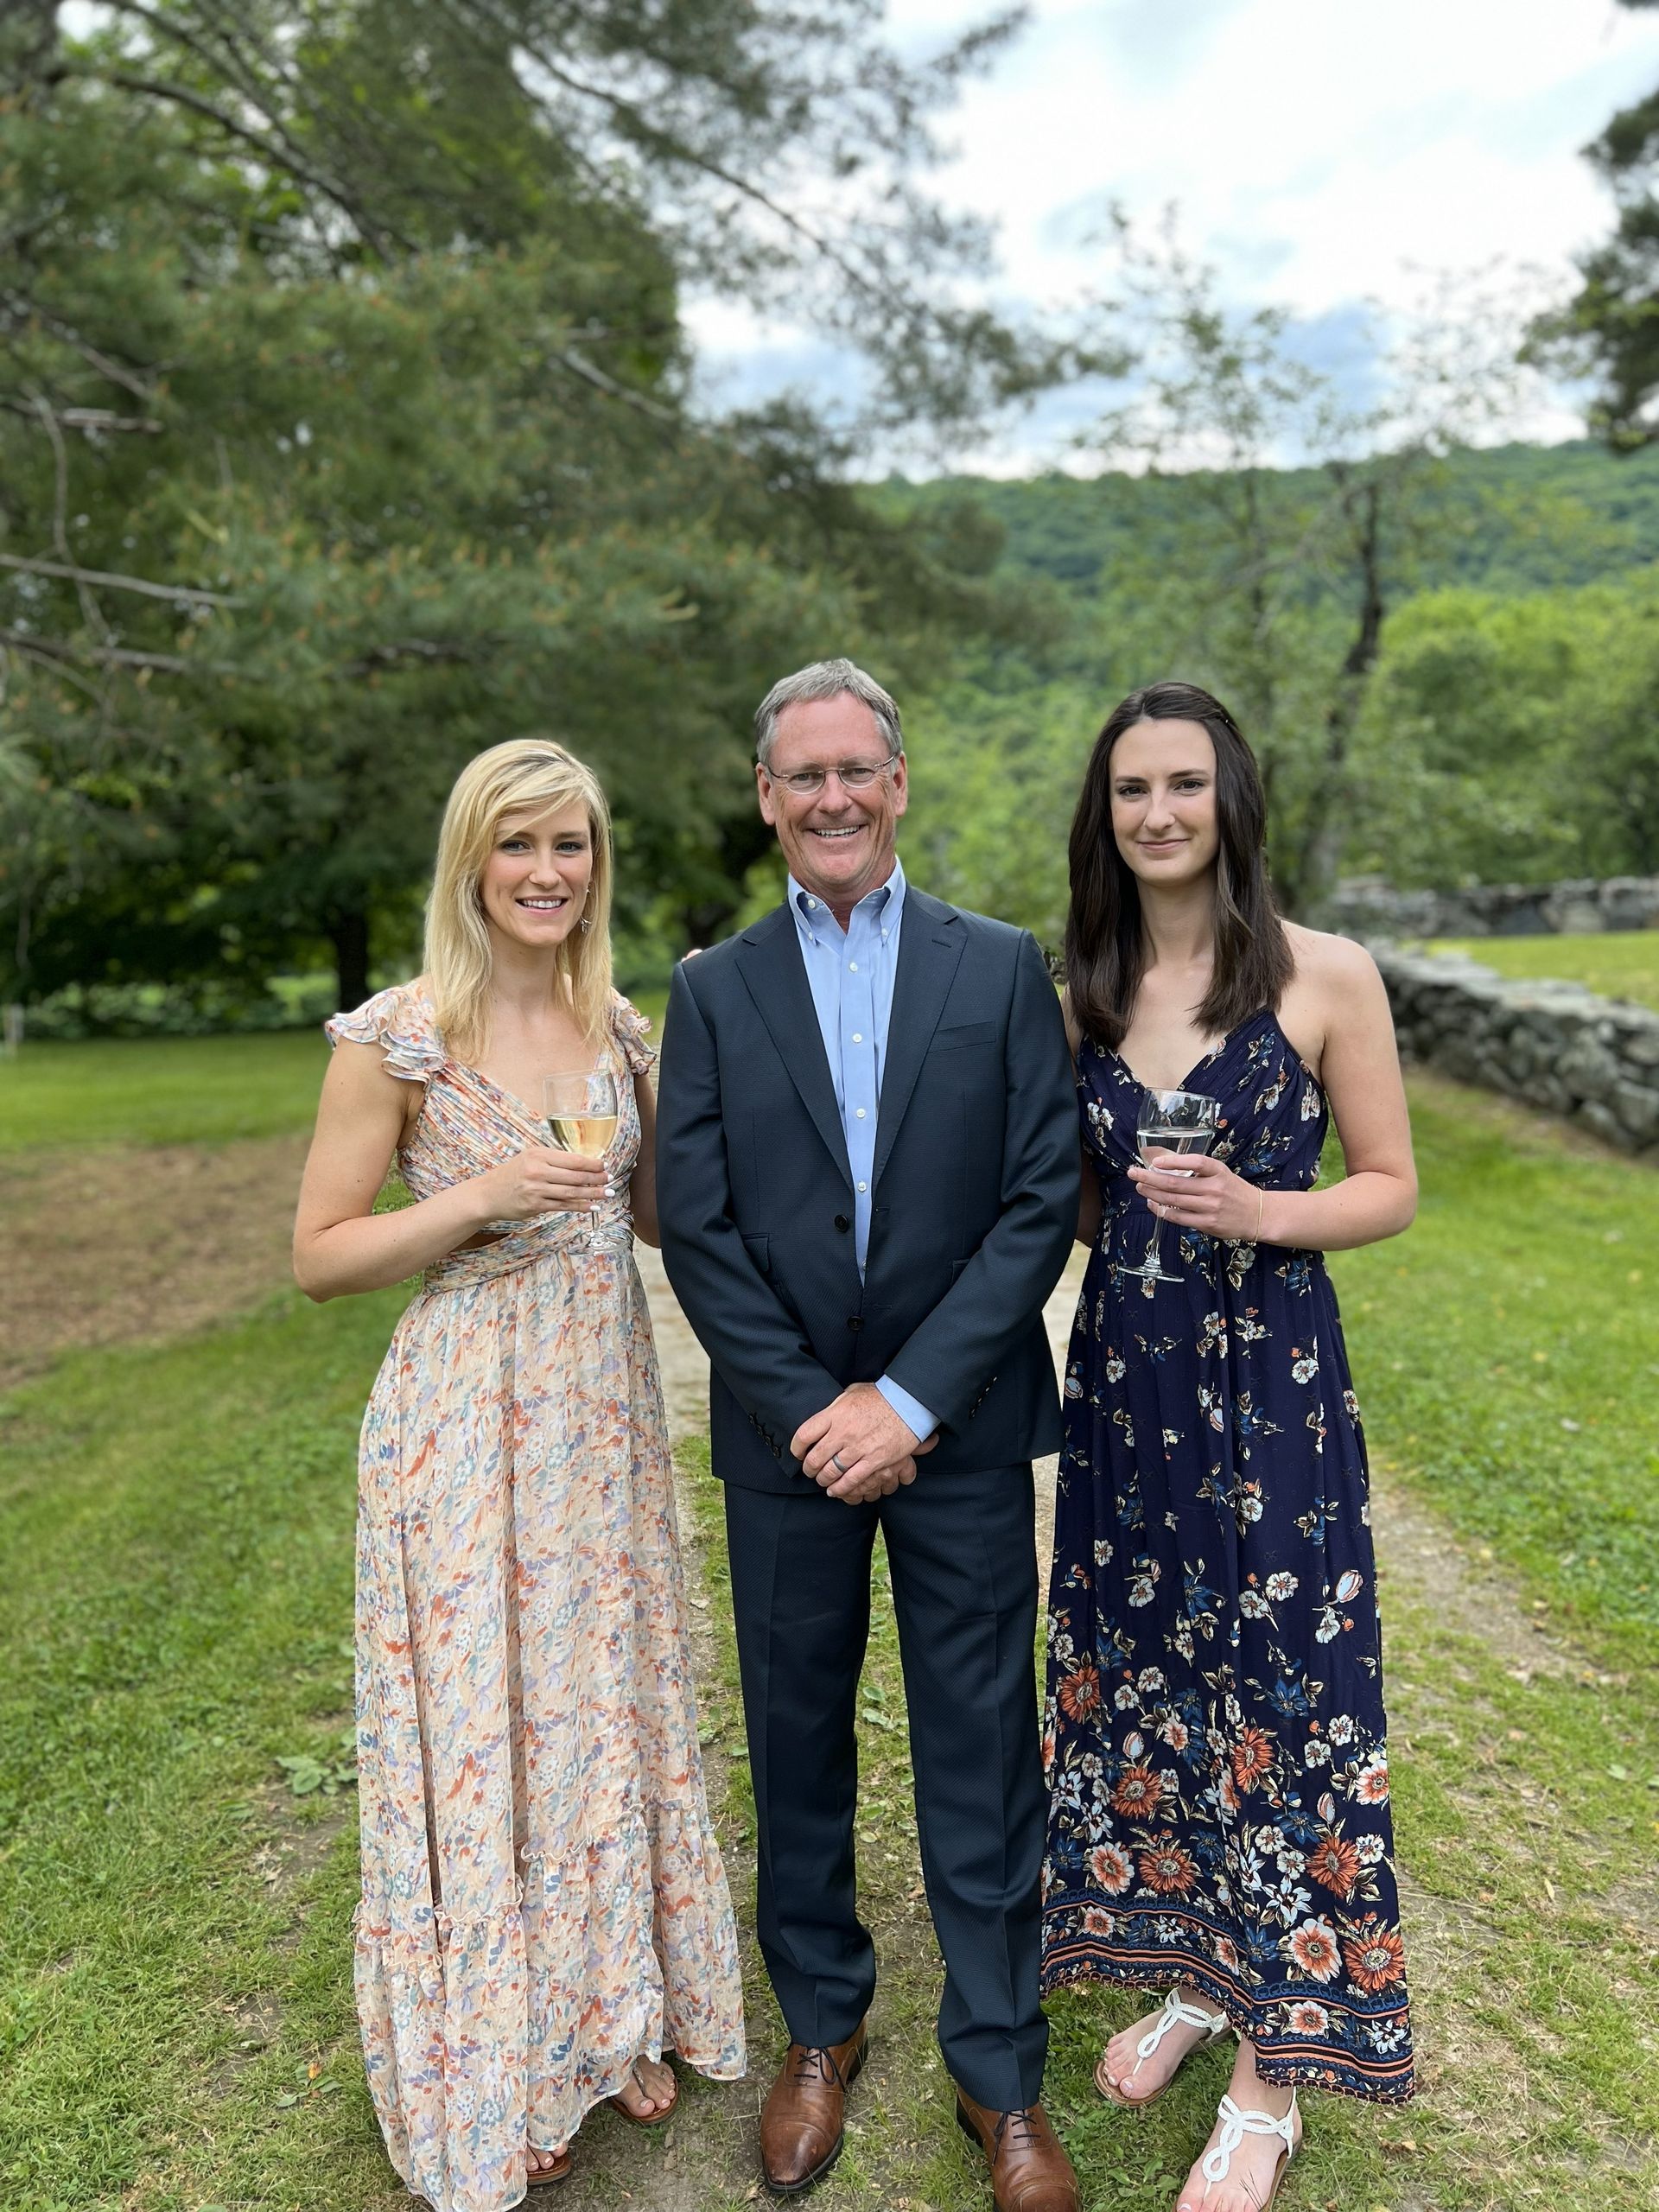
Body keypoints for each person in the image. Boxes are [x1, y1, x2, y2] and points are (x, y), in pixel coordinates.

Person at [292, 739, 744, 2212]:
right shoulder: (401, 1035)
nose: (549, 873)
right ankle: (501, 2053)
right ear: (471, 861)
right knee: (487, 1726)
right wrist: (483, 1192)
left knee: (596, 1708)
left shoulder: (616, 1018)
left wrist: (711, 1068)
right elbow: (318, 1257)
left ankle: (613, 2016)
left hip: (598, 1414)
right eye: (519, 846)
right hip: (463, 1418)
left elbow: (671, 1223)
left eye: (573, 847)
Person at [656, 658, 1083, 2212]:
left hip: (957, 1429)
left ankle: (1001, 2076)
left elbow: (1039, 1199)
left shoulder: (1000, 966)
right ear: (766, 798)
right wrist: (815, 1411)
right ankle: (820, 2029)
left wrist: (904, 1402)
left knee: (981, 1747)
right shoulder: (711, 991)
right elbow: (694, 1229)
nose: (832, 798)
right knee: (798, 1744)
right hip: (784, 1446)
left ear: (899, 783)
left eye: (858, 769)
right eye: (801, 776)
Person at [1040, 681, 1418, 2212]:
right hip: (1129, 1399)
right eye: (1132, 789)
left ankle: (1277, 2078)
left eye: (1185, 784)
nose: (1158, 813)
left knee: (1285, 1694)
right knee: (1155, 1680)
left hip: (1273, 1398)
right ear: (1105, 814)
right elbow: (1069, 1200)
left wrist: (1266, 1210)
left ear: (1230, 798)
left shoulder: (1324, 975)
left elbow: (1389, 1182)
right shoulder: (1083, 985)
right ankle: (1203, 1980)